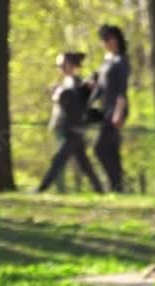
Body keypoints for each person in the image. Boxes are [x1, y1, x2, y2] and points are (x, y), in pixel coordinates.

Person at [35, 52, 104, 194]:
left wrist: (59, 94)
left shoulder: (76, 83)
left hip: (72, 129)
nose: (60, 68)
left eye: (62, 65)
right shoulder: (67, 82)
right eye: (59, 65)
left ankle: (41, 189)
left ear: (71, 65)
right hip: (70, 129)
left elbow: (75, 105)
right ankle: (100, 190)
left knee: (58, 160)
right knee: (84, 164)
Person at [88, 24, 130, 193]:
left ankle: (115, 185)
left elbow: (122, 89)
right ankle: (118, 188)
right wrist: (89, 102)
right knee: (112, 150)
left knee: (100, 148)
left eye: (108, 39)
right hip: (105, 110)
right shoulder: (106, 62)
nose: (106, 42)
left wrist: (119, 113)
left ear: (116, 40)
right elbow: (99, 87)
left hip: (116, 110)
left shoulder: (121, 61)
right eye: (104, 40)